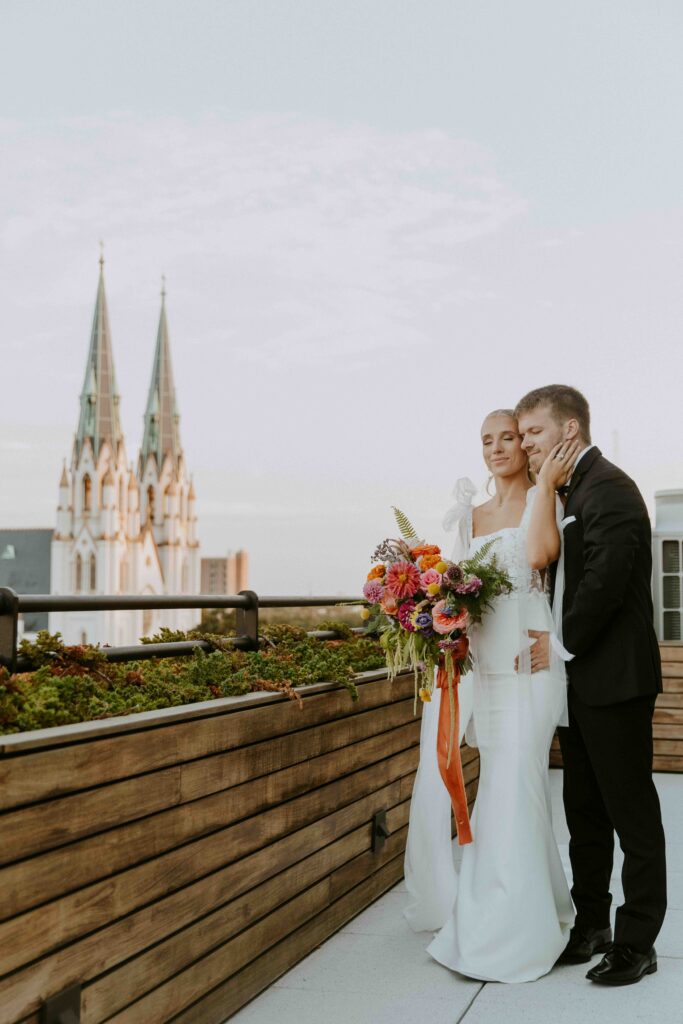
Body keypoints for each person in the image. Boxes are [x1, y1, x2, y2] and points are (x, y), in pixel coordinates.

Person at [403, 408, 575, 983]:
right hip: (486, 671)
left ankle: (510, 930)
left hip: (531, 664)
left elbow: (538, 559)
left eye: (508, 438)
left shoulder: (543, 498)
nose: (498, 448)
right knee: (502, 787)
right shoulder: (469, 516)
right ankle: (523, 908)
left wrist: (545, 488)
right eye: (487, 441)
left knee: (515, 784)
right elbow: (461, 595)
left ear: (525, 447)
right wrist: (436, 617)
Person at [515, 384, 666, 987]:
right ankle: (592, 925)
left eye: (533, 432)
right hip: (575, 684)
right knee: (583, 810)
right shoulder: (563, 491)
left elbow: (604, 581)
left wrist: (561, 642)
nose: (526, 444)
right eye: (522, 435)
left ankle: (637, 941)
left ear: (568, 430)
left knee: (632, 813)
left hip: (613, 678)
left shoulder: (612, 488)